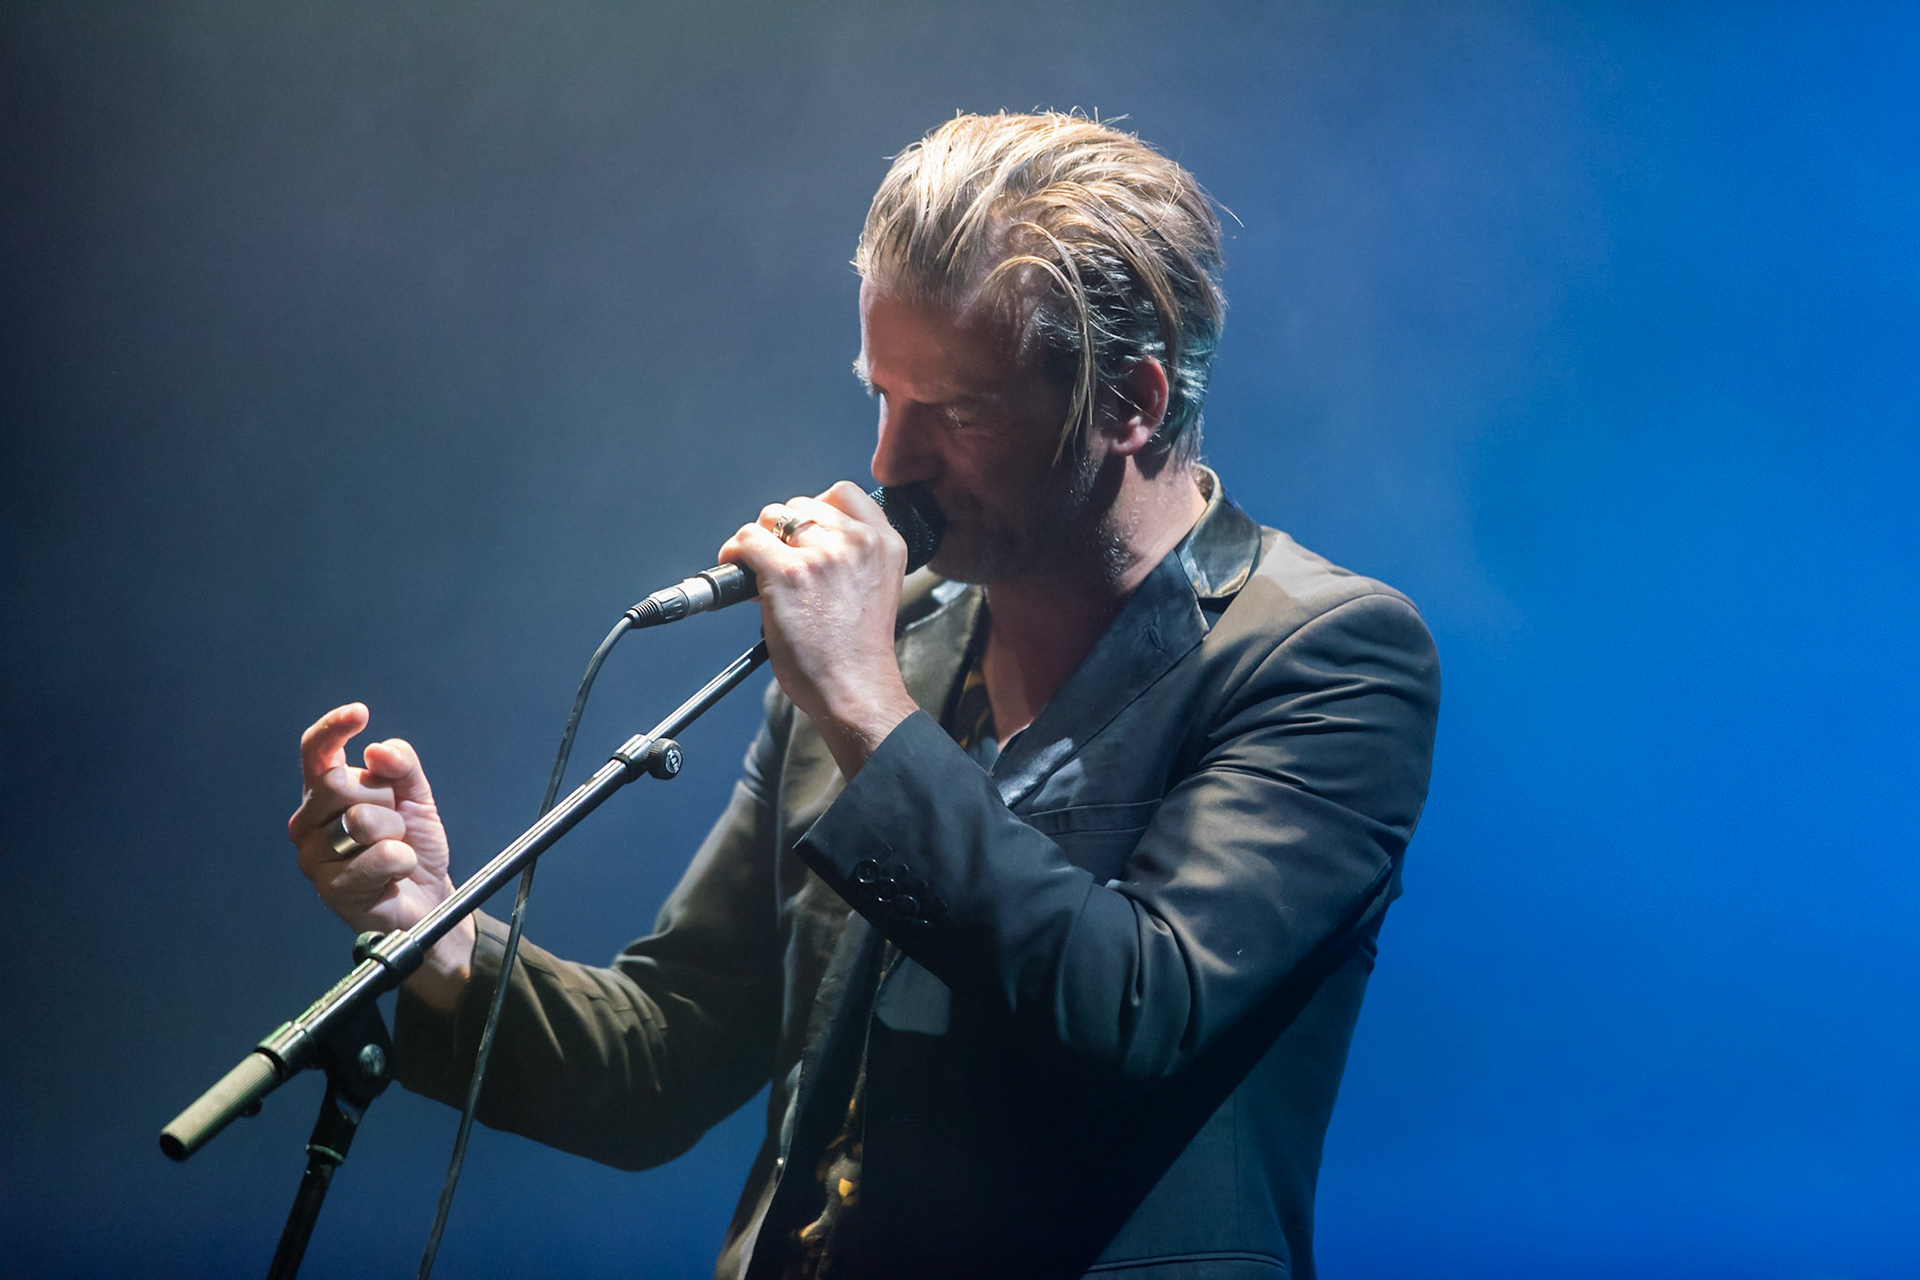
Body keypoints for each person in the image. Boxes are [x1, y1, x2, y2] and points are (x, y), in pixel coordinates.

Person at [288, 112, 1440, 1279]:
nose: (889, 462)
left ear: (1131, 402)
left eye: (962, 408)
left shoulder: (1325, 655)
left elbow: (1134, 1011)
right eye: (881, 393)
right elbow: (661, 1059)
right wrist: (436, 933)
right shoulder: (896, 651)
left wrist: (861, 702)